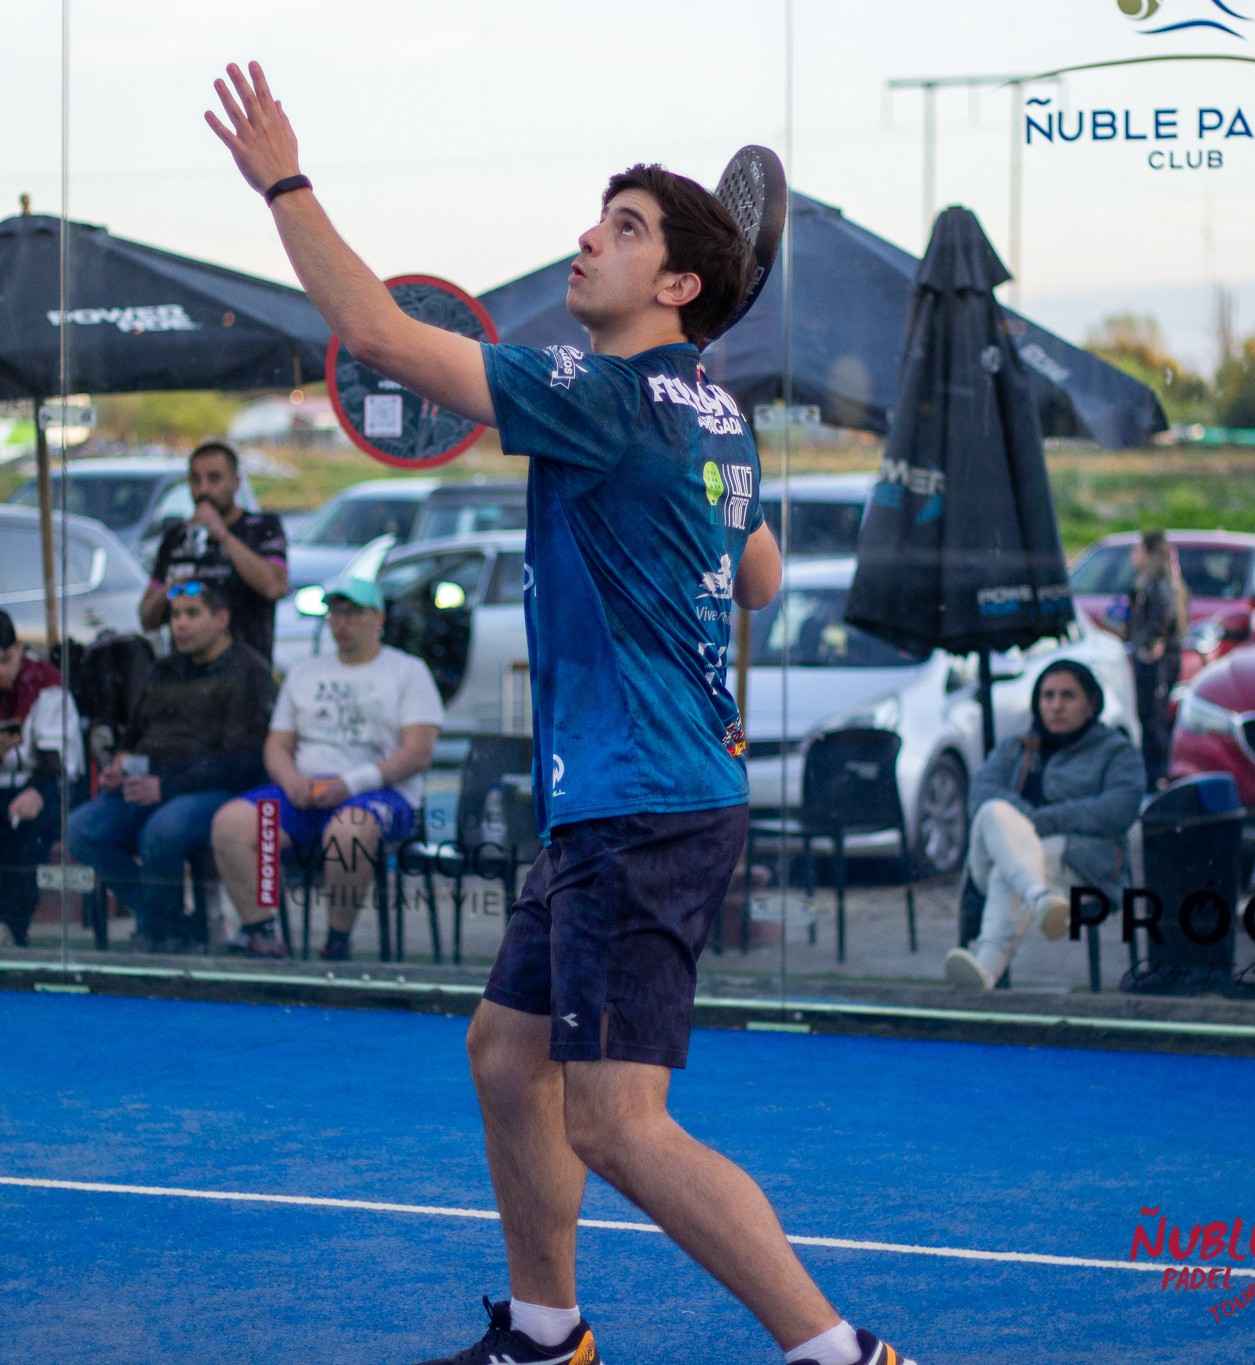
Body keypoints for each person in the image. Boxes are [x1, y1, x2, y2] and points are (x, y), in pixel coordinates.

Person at [206, 60, 909, 1365]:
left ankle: (840, 1355)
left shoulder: (604, 397)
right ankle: (546, 1332)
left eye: (624, 228)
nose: (589, 239)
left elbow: (378, 335)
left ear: (679, 285)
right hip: (632, 799)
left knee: (619, 1124)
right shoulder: (714, 415)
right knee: (502, 1054)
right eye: (600, 217)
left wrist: (283, 182)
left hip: (642, 807)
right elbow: (756, 576)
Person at [210, 576, 441, 962]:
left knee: (348, 832)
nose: (342, 623)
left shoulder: (408, 671)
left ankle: (337, 940)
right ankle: (262, 933)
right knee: (232, 824)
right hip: (305, 792)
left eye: (353, 613)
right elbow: (277, 744)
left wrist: (350, 783)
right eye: (335, 613)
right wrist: (291, 782)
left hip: (380, 793)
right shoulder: (304, 673)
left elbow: (418, 752)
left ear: (378, 617)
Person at [67, 582, 276, 952]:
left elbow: (240, 762)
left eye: (192, 614)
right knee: (81, 829)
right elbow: (133, 734)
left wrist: (166, 788)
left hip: (217, 792)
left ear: (221, 619)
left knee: (162, 831)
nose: (179, 624)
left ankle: (159, 932)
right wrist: (120, 765)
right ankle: (168, 921)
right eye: (175, 614)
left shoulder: (249, 672)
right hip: (149, 784)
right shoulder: (164, 670)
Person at [944, 660, 1145, 991]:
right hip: (1009, 861)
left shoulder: (1116, 751)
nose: (1056, 705)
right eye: (1047, 696)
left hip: (1081, 862)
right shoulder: (1016, 746)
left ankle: (985, 972)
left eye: (1068, 696)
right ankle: (1041, 898)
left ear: (1091, 703)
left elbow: (1119, 808)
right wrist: (1023, 824)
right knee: (993, 810)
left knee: (1007, 872)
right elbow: (980, 793)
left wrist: (1039, 823)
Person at [139, 439, 289, 665]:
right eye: (195, 480)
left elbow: (274, 586)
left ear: (235, 482)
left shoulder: (261, 528)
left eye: (214, 478)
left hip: (245, 671)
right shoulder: (176, 538)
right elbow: (146, 619)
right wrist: (172, 588)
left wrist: (224, 536)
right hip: (185, 674)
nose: (204, 490)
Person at [0, 612, 83, 947]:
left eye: (5, 660)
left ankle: (13, 926)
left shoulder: (45, 685)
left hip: (44, 785)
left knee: (25, 827)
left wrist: (36, 791)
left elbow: (57, 760)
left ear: (19, 648)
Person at [1126, 530, 1185, 792]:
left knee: (1154, 718)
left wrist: (1152, 642)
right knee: (1150, 716)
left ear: (1149, 553)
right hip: (1155, 657)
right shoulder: (1153, 583)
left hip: (1158, 661)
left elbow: (1164, 614)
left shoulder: (1159, 584)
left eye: (1137, 549)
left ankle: (1158, 775)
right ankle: (1154, 773)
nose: (1133, 555)